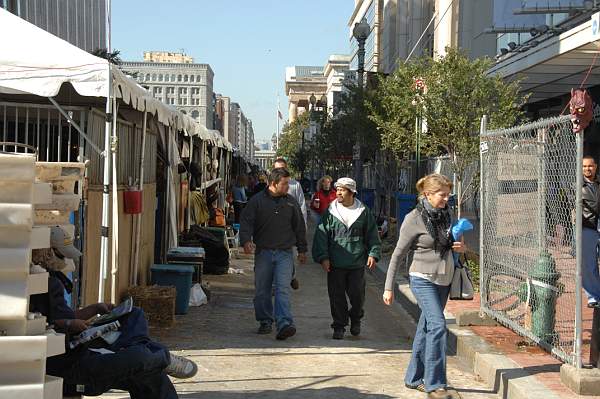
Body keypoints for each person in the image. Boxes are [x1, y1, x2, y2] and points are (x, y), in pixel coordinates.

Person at [30, 226, 197, 398]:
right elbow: (55, 322)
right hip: (72, 366)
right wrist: (70, 324)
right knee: (143, 362)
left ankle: (150, 351)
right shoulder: (44, 285)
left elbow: (62, 316)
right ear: (48, 252)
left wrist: (95, 308)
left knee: (135, 314)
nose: (65, 261)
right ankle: (163, 357)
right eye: (62, 255)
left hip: (80, 349)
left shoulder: (50, 279)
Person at [383, 174, 466, 399]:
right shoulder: (413, 218)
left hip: (444, 279)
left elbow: (453, 243)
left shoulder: (447, 215)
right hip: (422, 278)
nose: (446, 199)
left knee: (426, 327)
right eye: (442, 195)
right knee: (438, 325)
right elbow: (398, 254)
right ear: (428, 195)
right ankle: (435, 384)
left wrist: (460, 247)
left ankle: (413, 378)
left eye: (448, 195)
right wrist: (388, 287)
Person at [239, 168, 308, 340]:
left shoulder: (291, 203)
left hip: (285, 253)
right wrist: (246, 240)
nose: (287, 187)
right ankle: (265, 320)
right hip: (264, 253)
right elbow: (246, 221)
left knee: (282, 289)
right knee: (262, 290)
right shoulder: (257, 201)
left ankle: (284, 323)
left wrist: (302, 249)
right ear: (272, 183)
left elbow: (299, 227)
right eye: (284, 184)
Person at [312, 177, 381, 340]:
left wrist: (373, 253)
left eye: (342, 190)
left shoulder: (363, 211)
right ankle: (339, 325)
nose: (338, 193)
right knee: (336, 295)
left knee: (357, 295)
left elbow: (372, 234)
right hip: (335, 263)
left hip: (356, 262)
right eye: (337, 189)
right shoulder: (330, 212)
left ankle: (355, 318)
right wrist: (323, 257)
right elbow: (321, 236)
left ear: (351, 192)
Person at [273, 158, 307, 290]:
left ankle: (291, 277)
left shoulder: (295, 185)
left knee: (291, 256)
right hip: (273, 231)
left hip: (291, 230)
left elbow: (302, 206)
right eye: (277, 169)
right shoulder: (269, 186)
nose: (280, 171)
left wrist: (302, 227)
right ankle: (277, 284)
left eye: (282, 168)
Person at [581, 156, 600, 308]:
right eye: (584, 166)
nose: (587, 169)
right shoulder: (577, 186)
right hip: (588, 226)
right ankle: (593, 296)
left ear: (595, 167)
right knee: (589, 264)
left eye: (590, 166)